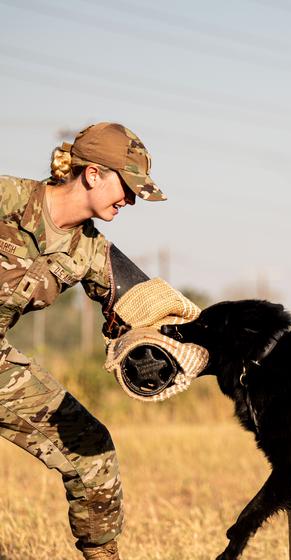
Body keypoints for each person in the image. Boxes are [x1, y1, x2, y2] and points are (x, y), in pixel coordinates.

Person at [0, 122, 167, 560]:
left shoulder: (90, 251)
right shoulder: (8, 198)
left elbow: (147, 304)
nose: (130, 200)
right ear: (93, 174)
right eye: (126, 187)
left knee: (92, 451)